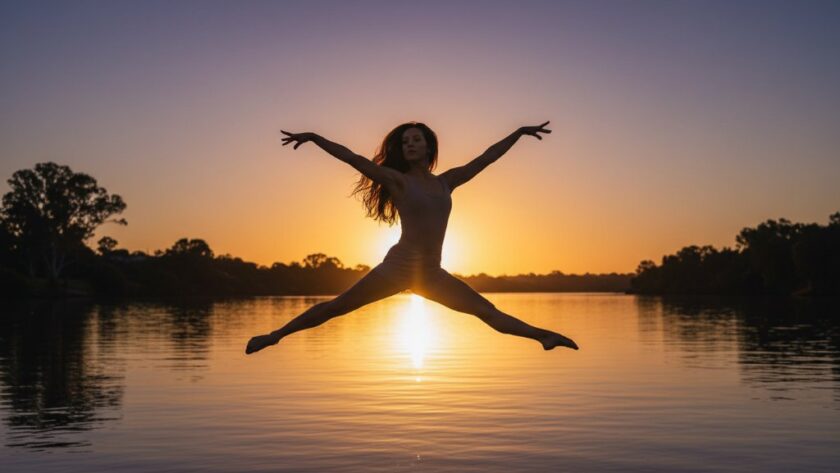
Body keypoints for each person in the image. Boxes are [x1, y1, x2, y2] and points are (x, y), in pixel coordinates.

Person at [246, 121, 578, 354]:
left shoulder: (446, 182)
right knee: (338, 307)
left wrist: (518, 133)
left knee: (487, 311)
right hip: (398, 267)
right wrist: (315, 137)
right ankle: (275, 335)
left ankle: (543, 337)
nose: (410, 145)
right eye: (405, 142)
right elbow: (353, 158)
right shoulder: (397, 180)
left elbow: (486, 158)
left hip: (431, 274)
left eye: (416, 140)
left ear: (429, 146)